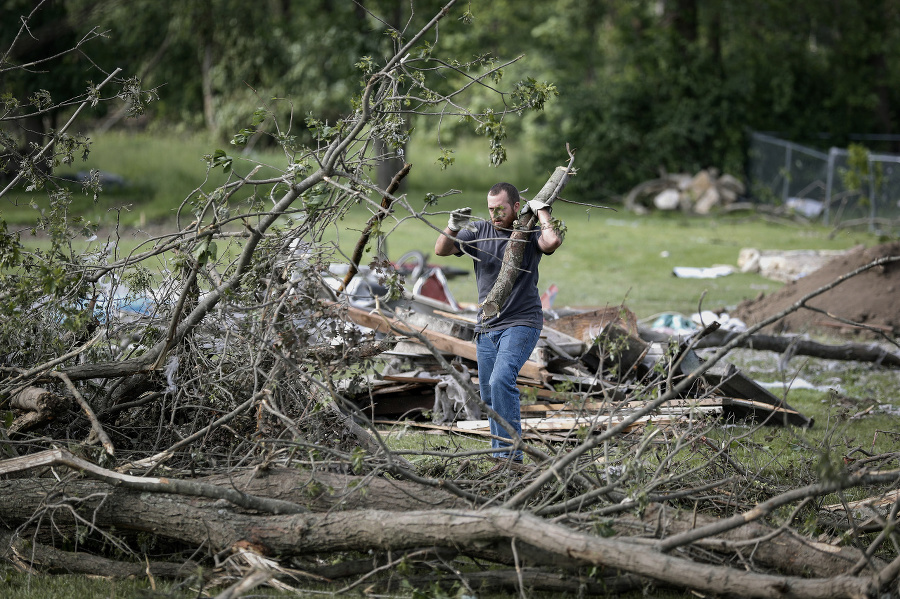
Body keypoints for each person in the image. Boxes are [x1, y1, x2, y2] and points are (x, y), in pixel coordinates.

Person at [434, 182, 563, 464]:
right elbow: (441, 250)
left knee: (501, 379)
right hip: (487, 326)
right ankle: (499, 455)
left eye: (500, 208)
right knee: (490, 392)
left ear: (516, 206)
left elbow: (552, 241)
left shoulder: (527, 232)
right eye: (491, 209)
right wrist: (453, 226)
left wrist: (542, 213)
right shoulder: (479, 231)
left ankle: (512, 456)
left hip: (521, 321)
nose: (494, 214)